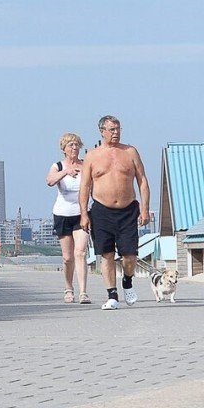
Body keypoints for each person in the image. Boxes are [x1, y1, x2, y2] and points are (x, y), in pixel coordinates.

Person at [79, 114, 151, 311]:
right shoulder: (93, 156)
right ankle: (112, 295)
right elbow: (85, 187)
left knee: (130, 255)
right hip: (102, 210)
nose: (116, 133)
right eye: (112, 130)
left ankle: (127, 281)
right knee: (107, 254)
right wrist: (84, 214)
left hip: (128, 210)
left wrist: (144, 208)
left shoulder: (130, 152)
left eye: (118, 129)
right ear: (102, 131)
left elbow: (142, 180)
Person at [47, 132, 91, 304]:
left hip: (82, 213)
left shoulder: (85, 165)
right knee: (68, 257)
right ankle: (68, 288)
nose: (74, 148)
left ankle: (83, 292)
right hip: (62, 214)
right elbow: (49, 181)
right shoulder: (58, 166)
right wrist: (66, 171)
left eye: (76, 145)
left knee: (80, 252)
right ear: (64, 149)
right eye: (70, 145)